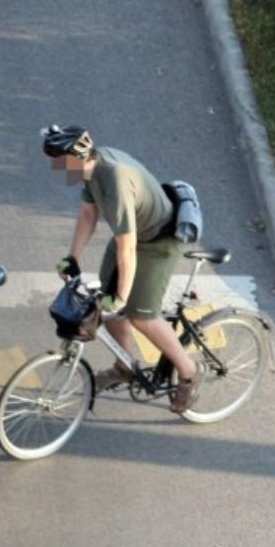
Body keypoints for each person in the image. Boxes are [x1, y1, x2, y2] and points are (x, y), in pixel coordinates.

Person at [41, 124, 204, 412]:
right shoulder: (90, 169)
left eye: (59, 162)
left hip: (157, 242)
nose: (56, 169)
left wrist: (122, 296)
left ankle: (189, 371)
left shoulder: (114, 178)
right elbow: (88, 212)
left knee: (142, 316)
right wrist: (73, 258)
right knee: (105, 307)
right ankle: (126, 364)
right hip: (133, 237)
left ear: (77, 158)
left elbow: (128, 248)